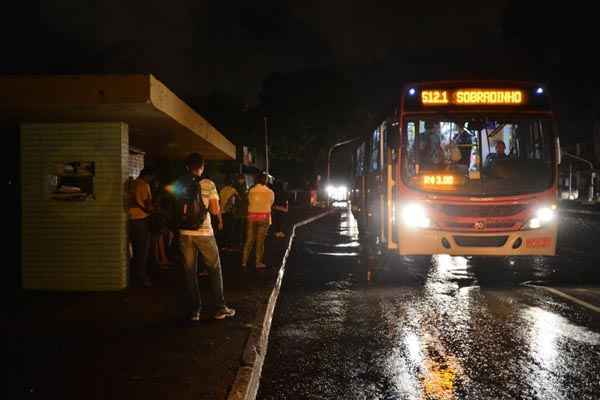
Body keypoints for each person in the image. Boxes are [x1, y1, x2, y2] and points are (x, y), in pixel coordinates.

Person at [177, 153, 235, 321]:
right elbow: (216, 210)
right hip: (204, 232)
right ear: (201, 167)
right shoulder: (208, 184)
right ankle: (220, 307)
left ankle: (195, 311)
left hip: (184, 232)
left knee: (189, 272)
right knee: (214, 269)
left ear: (187, 167)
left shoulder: (180, 183)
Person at [127, 167, 155, 287]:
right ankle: (141, 277)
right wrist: (153, 209)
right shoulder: (144, 185)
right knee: (142, 250)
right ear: (148, 176)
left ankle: (131, 275)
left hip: (129, 219)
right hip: (141, 220)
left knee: (132, 249)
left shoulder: (132, 184)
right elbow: (147, 206)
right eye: (151, 177)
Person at [242, 172, 274, 269]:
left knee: (249, 239)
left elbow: (248, 201)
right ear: (265, 181)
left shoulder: (251, 191)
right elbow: (271, 203)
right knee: (260, 241)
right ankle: (258, 262)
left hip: (252, 216)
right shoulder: (270, 192)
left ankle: (244, 261)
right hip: (264, 217)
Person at [219, 176, 240, 250]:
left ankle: (223, 245)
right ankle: (229, 246)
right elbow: (236, 200)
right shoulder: (233, 190)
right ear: (231, 182)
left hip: (222, 212)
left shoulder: (222, 190)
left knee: (224, 230)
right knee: (230, 229)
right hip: (229, 212)